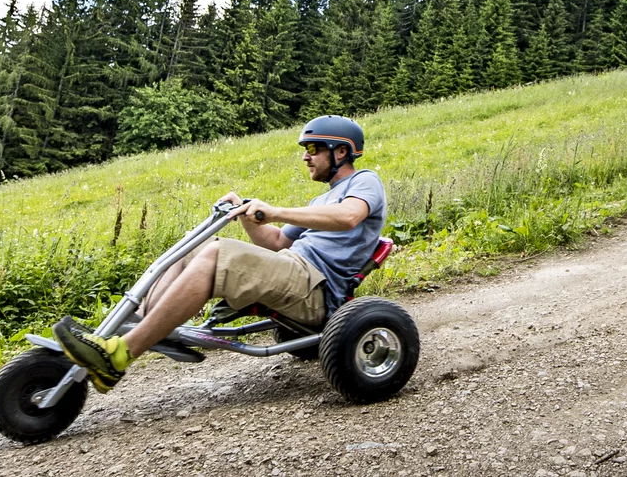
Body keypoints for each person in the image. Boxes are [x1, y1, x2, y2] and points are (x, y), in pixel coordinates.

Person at [53, 115, 388, 392]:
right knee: (190, 250)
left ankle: (118, 357)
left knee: (216, 254)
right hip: (290, 268)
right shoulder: (318, 202)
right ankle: (135, 329)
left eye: (313, 149)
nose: (305, 156)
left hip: (315, 286)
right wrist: (245, 213)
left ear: (341, 152)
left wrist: (275, 210)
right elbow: (275, 244)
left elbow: (349, 217)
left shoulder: (364, 183)